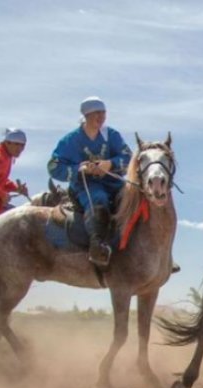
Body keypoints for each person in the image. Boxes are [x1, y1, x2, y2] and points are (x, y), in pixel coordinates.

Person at [48, 96, 132, 267]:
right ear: (86, 115)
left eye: (103, 112)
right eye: (96, 113)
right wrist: (79, 169)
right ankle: (97, 246)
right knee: (98, 198)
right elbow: (53, 166)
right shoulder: (70, 140)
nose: (101, 117)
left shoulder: (112, 135)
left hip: (114, 183)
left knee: (135, 197)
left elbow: (129, 157)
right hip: (85, 186)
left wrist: (111, 163)